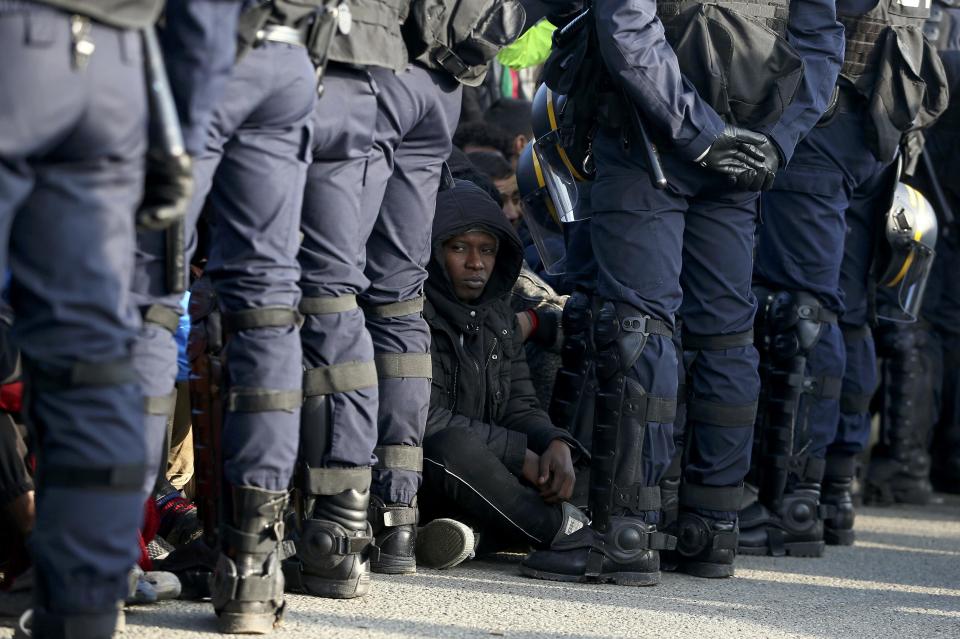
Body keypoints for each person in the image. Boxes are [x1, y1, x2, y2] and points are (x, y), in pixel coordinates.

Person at [521, 0, 844, 584]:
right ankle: (711, 530)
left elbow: (628, 24)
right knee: (724, 338)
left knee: (636, 329)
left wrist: (701, 134)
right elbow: (822, 40)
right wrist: (774, 141)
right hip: (743, 145)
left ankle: (627, 532)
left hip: (652, 137)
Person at [131, 0, 319, 632]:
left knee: (148, 296)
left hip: (190, 44)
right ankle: (252, 568)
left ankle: (105, 547)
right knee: (266, 304)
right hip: (289, 53)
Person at [745, 0, 948, 554]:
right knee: (847, 312)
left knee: (806, 309)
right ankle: (832, 490)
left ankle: (794, 499)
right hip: (876, 117)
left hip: (823, 116)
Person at [0, 1, 167, 635]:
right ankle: (85, 608)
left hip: (17, 44)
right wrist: (181, 122)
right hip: (121, 64)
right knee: (91, 356)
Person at [418, 180, 589, 570]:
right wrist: (519, 455)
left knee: (571, 463)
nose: (475, 263)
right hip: (431, 473)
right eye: (459, 247)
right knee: (452, 448)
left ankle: (476, 536)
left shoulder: (497, 314)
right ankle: (567, 534)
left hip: (489, 472)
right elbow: (424, 420)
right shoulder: (415, 316)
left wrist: (553, 443)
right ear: (435, 251)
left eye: (487, 250)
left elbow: (520, 404)